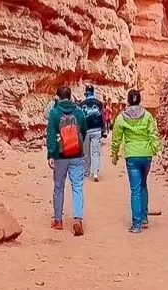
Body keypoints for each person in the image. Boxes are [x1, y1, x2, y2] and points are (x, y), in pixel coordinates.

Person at [110, 88, 161, 234]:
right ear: (139, 100)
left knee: (135, 189)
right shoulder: (147, 116)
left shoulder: (121, 118)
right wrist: (156, 150)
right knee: (144, 185)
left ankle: (136, 224)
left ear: (128, 100)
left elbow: (116, 138)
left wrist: (114, 154)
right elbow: (153, 134)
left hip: (131, 156)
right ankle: (144, 218)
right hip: (146, 155)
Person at [46, 86, 87, 235]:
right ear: (70, 96)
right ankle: (77, 218)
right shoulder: (79, 111)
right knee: (77, 187)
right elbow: (84, 131)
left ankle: (58, 220)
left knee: (58, 187)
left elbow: (50, 135)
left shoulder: (54, 113)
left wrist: (50, 154)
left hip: (60, 155)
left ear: (58, 97)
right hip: (77, 154)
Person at [79, 86, 107, 181]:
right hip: (96, 130)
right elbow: (102, 117)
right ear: (93, 92)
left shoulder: (81, 104)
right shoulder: (99, 104)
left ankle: (86, 173)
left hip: (86, 130)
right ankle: (95, 173)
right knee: (96, 152)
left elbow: (80, 119)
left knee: (86, 153)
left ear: (86, 93)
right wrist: (104, 129)